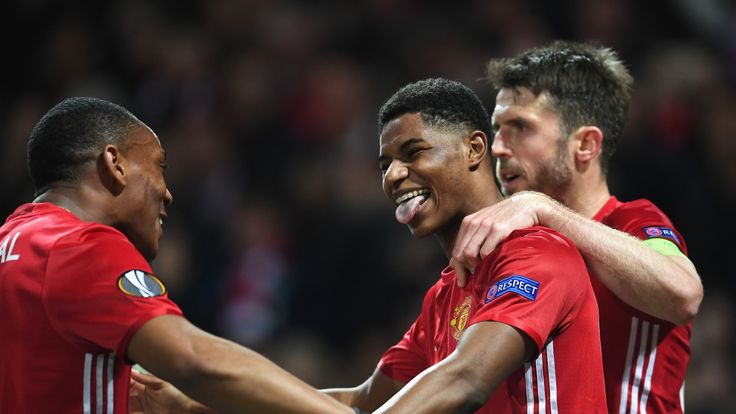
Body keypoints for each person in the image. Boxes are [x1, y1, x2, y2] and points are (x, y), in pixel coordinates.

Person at [0, 97, 353, 414]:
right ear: (114, 164)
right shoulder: (81, 245)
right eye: (159, 166)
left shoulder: (14, 244)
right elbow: (194, 361)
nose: (167, 193)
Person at [322, 78, 607, 413]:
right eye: (385, 166)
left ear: (473, 149)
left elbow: (467, 379)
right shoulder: (444, 295)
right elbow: (366, 399)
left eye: (413, 153)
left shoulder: (536, 253)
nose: (393, 176)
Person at [450, 41, 703, 413]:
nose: (498, 147)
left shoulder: (635, 221)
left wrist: (545, 209)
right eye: (497, 129)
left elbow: (684, 293)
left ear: (585, 144)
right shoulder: (515, 250)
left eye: (520, 127)